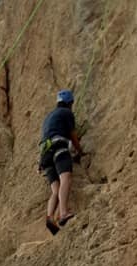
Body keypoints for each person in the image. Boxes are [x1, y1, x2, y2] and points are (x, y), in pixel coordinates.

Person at [39, 89, 83, 234]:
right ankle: (63, 213)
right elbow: (73, 135)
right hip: (58, 147)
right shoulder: (66, 113)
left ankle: (50, 217)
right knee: (66, 178)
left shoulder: (49, 117)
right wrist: (80, 151)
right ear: (70, 103)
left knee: (55, 190)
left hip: (45, 154)